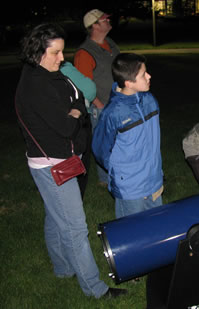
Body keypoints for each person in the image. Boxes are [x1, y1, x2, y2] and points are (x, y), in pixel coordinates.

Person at [15, 23, 126, 299]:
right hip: (53, 164)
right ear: (37, 52)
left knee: (56, 217)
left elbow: (78, 95)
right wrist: (77, 111)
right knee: (75, 227)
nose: (61, 58)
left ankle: (63, 268)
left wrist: (75, 108)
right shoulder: (35, 86)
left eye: (62, 52)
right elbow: (66, 126)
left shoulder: (46, 73)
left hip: (60, 158)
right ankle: (95, 289)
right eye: (56, 53)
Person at [92, 53, 163, 219]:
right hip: (130, 187)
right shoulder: (114, 113)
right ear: (129, 83)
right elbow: (100, 149)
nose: (149, 76)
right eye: (143, 74)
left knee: (157, 228)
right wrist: (123, 173)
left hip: (153, 180)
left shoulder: (150, 101)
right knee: (133, 233)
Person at [74, 9, 120, 185]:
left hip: (117, 102)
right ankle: (104, 179)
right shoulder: (84, 53)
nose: (108, 19)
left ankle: (118, 172)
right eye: (104, 19)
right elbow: (84, 86)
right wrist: (99, 105)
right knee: (104, 143)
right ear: (94, 26)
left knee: (119, 141)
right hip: (100, 106)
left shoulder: (111, 44)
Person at [60, 61, 96, 198]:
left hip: (71, 124)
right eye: (56, 52)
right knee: (75, 167)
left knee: (78, 166)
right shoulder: (63, 70)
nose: (62, 57)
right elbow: (90, 89)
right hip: (71, 127)